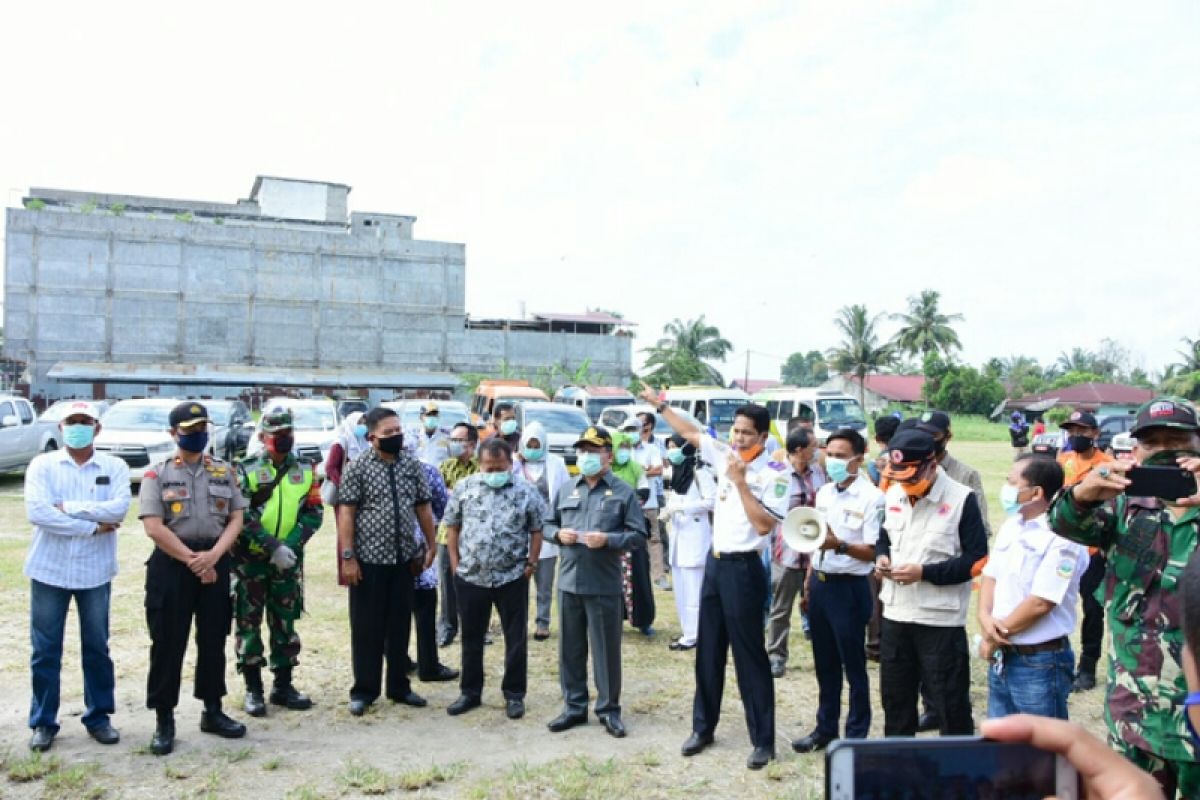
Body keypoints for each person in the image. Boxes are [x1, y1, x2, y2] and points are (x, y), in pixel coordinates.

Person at [1046, 397, 1200, 798]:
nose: (1166, 451)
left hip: (1196, 721)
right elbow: (1062, 522)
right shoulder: (1123, 504)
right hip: (1134, 713)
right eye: (1154, 443)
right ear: (1137, 449)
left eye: (1177, 440)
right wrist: (1083, 493)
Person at [644, 387, 790, 770]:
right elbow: (692, 433)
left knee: (749, 657)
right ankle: (703, 728)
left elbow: (763, 525)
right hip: (715, 564)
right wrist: (660, 406)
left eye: (746, 433)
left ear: (762, 436)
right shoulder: (725, 453)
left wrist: (741, 481)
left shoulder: (775, 472)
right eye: (736, 430)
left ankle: (763, 741)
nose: (738, 438)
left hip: (744, 570)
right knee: (708, 653)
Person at [139, 401, 248, 755]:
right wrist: (193, 560)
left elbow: (236, 517)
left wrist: (214, 556)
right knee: (168, 643)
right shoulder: (157, 475)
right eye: (189, 431)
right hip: (173, 565)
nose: (198, 436)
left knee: (214, 639)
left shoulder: (224, 471)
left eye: (202, 429)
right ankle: (164, 719)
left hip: (215, 561)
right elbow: (154, 527)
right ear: (174, 434)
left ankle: (213, 710)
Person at [24, 401, 131, 752]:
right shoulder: (43, 465)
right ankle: (43, 721)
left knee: (97, 647)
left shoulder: (113, 466)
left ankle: (99, 716)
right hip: (49, 570)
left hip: (95, 572)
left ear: (97, 429)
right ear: (61, 427)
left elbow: (119, 509)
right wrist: (91, 528)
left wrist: (67, 508)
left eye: (86, 422)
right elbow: (38, 513)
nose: (78, 427)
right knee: (45, 650)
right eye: (72, 422)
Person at [875, 426, 988, 738]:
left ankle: (957, 776)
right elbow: (883, 537)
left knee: (950, 704)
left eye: (912, 476)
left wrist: (924, 572)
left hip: (939, 619)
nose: (905, 483)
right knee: (895, 702)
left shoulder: (962, 499)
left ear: (932, 464)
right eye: (899, 475)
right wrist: (882, 558)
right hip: (896, 614)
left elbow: (976, 560)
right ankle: (902, 773)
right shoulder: (894, 492)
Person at [542, 426, 646, 739]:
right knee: (570, 651)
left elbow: (639, 536)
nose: (586, 456)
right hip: (570, 581)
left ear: (608, 456)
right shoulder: (566, 489)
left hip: (603, 584)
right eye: (583, 450)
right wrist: (558, 535)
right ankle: (574, 707)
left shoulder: (623, 492)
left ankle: (608, 709)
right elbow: (548, 524)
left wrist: (611, 540)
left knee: (606, 652)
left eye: (594, 451)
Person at [335, 407, 437, 717]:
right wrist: (348, 557)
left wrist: (431, 545)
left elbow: (423, 506)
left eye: (398, 431)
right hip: (368, 562)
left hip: (405, 560)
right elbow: (347, 513)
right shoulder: (358, 467)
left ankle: (399, 687)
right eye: (388, 433)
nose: (395, 437)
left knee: (399, 624)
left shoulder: (410, 464)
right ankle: (364, 690)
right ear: (372, 436)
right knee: (366, 627)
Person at [791, 428, 883, 754]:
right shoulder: (826, 492)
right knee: (824, 663)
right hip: (822, 584)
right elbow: (817, 541)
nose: (833, 461)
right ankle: (825, 729)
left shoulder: (872, 497)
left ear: (859, 458)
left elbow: (873, 551)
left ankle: (855, 736)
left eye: (841, 455)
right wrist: (808, 582)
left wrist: (840, 545)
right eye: (829, 454)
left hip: (850, 588)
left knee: (853, 665)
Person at [979, 455, 1087, 721]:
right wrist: (984, 617)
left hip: (1039, 661)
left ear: (1036, 492)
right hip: (1004, 654)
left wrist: (993, 638)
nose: (1006, 488)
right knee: (1003, 748)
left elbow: (1041, 602)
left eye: (1012, 482)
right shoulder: (1012, 525)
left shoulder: (1064, 536)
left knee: (1042, 751)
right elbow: (990, 576)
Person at [443, 438, 545, 719]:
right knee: (472, 636)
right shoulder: (465, 488)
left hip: (511, 576)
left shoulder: (526, 491)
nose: (495, 473)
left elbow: (537, 528)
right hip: (471, 576)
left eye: (500, 467)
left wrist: (532, 562)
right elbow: (452, 526)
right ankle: (470, 692)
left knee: (515, 638)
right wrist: (455, 564)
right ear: (480, 464)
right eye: (489, 468)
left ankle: (514, 694)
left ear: (510, 464)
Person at [233, 410, 323, 718]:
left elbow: (314, 512)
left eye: (289, 431)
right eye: (277, 433)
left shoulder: (306, 470)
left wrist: (290, 545)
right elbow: (240, 515)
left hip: (287, 560)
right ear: (262, 437)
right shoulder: (245, 470)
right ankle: (253, 689)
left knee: (285, 622)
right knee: (249, 623)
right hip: (251, 561)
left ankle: (283, 685)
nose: (285, 437)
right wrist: (271, 546)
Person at [1056, 409, 1116, 694]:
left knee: (1092, 609)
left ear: (1095, 433)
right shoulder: (1063, 460)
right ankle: (1060, 662)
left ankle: (1088, 667)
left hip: (1092, 550)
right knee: (1055, 602)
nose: (1076, 436)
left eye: (1082, 431)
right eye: (1071, 431)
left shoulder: (1108, 464)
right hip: (1064, 547)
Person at [767, 427, 827, 678]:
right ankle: (776, 656)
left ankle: (825, 657)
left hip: (816, 551)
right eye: (813, 445)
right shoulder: (777, 475)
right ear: (799, 449)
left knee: (818, 607)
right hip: (787, 553)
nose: (817, 449)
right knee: (781, 608)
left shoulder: (819, 472)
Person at [403, 430, 459, 683]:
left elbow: (440, 508)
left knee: (404, 613)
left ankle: (407, 663)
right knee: (422, 613)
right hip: (418, 550)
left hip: (417, 554)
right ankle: (426, 665)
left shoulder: (425, 472)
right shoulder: (427, 471)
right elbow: (441, 508)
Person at [515, 422, 570, 641]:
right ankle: (518, 623)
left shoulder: (556, 463)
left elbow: (565, 492)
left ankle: (542, 623)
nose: (533, 448)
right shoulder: (514, 463)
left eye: (537, 444)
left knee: (544, 582)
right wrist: (516, 463)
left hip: (546, 530)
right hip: (519, 530)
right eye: (530, 444)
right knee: (518, 583)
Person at [663, 434, 716, 651]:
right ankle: (687, 630)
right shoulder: (677, 473)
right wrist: (668, 511)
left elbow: (711, 501)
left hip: (695, 537)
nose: (671, 451)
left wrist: (685, 508)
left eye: (675, 447)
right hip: (678, 538)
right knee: (682, 592)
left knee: (694, 592)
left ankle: (695, 635)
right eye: (669, 447)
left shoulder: (700, 473)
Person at [436, 422, 479, 647]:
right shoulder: (445, 467)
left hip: (474, 534)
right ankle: (447, 626)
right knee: (447, 582)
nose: (453, 444)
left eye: (458, 440)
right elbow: (439, 497)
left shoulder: (482, 467)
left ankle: (474, 626)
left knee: (474, 582)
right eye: (452, 439)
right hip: (446, 534)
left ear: (471, 444)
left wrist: (457, 494)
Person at [865, 414, 901, 662]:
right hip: (898, 530)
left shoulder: (875, 465)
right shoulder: (907, 459)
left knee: (876, 591)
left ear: (878, 439)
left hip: (880, 529)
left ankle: (875, 643)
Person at [614, 424, 656, 635]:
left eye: (625, 447)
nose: (623, 451)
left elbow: (643, 492)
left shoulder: (636, 468)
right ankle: (614, 619)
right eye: (619, 447)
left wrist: (624, 501)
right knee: (612, 577)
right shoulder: (606, 472)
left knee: (638, 575)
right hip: (612, 532)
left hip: (633, 530)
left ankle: (643, 620)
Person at [324, 411, 368, 587]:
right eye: (360, 422)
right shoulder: (341, 443)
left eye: (364, 423)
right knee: (345, 534)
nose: (362, 427)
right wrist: (344, 486)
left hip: (363, 495)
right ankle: (345, 573)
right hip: (344, 497)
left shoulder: (365, 442)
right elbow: (330, 468)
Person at [631, 412, 668, 589]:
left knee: (654, 539)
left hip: (649, 502)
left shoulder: (651, 449)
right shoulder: (621, 450)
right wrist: (645, 470)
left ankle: (659, 576)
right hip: (628, 502)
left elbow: (658, 470)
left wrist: (636, 472)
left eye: (635, 429)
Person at [415, 401, 452, 466]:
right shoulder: (415, 437)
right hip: (421, 475)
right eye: (428, 415)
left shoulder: (447, 436)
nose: (432, 417)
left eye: (434, 415)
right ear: (421, 418)